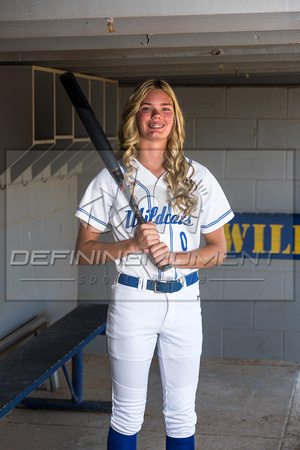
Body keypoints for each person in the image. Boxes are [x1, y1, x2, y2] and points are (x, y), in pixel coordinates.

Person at [75, 79, 234, 450]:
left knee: (181, 414)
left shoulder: (199, 178)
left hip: (184, 301)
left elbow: (218, 249)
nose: (156, 116)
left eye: (165, 109)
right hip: (134, 301)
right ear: (136, 117)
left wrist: (175, 258)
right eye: (147, 108)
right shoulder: (110, 179)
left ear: (175, 119)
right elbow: (84, 251)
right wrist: (131, 243)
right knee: (127, 413)